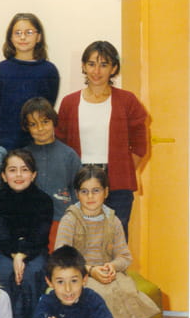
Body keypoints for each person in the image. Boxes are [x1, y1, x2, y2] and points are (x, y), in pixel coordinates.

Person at [55, 166, 160, 318]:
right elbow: (61, 254)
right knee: (101, 294)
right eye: (84, 191)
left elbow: (124, 256)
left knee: (127, 290)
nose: (90, 197)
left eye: (96, 191)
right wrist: (89, 269)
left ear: (106, 192)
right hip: (79, 272)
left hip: (107, 270)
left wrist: (112, 266)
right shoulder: (70, 219)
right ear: (77, 194)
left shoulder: (113, 220)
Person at [56, 40, 148, 237]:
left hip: (117, 185)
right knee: (81, 239)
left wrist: (122, 170)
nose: (96, 71)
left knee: (114, 240)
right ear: (83, 66)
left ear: (113, 68)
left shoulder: (127, 101)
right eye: (91, 64)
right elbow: (61, 144)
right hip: (79, 180)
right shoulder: (69, 102)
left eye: (104, 65)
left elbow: (140, 146)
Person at [0, 150, 53, 318]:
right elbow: (0, 234)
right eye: (12, 170)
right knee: (3, 270)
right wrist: (14, 254)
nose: (18, 175)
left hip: (35, 250)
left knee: (33, 272)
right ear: (3, 175)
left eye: (24, 170)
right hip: (5, 250)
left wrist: (22, 254)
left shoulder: (44, 200)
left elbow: (40, 236)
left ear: (33, 174)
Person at [0, 13, 60, 150]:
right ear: (10, 37)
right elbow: (1, 105)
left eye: (29, 32)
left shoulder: (49, 70)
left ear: (38, 37)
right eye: (17, 33)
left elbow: (48, 106)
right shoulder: (1, 69)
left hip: (38, 140)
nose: (22, 37)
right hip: (8, 140)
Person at [21, 97, 81, 248]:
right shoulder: (22, 157)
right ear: (27, 127)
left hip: (62, 221)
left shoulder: (69, 155)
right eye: (33, 124)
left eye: (45, 122)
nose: (40, 128)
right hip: (30, 222)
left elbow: (78, 192)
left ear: (53, 121)